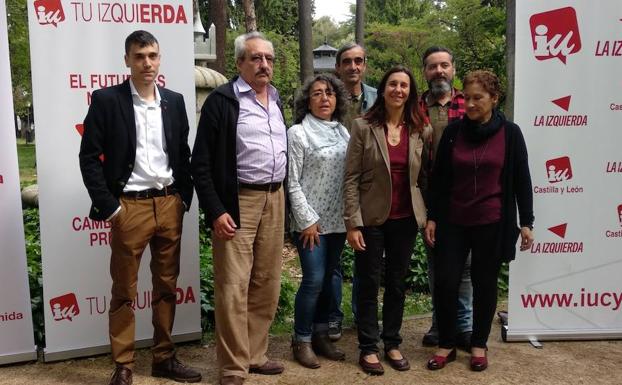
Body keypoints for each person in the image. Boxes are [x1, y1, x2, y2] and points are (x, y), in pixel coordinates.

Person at [79, 30, 200, 385]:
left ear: (159, 59)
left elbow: (181, 153)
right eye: (139, 56)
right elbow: (89, 158)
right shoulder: (107, 100)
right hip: (128, 207)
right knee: (124, 291)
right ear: (127, 60)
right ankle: (124, 365)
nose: (147, 63)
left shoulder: (175, 102)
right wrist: (111, 208)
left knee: (166, 286)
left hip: (168, 204)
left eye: (152, 56)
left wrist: (182, 197)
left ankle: (164, 357)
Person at [191, 32, 287, 385]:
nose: (264, 65)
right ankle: (233, 367)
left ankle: (256, 355)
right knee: (233, 286)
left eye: (269, 59)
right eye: (256, 58)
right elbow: (199, 164)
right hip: (238, 201)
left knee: (266, 282)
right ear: (239, 63)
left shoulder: (276, 100)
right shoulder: (222, 101)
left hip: (275, 199)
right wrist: (216, 210)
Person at [424, 70, 534, 372]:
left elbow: (522, 179)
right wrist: (433, 216)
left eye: (478, 98)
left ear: (493, 99)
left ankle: (478, 344)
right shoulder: (452, 132)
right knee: (446, 282)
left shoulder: (510, 133)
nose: (470, 104)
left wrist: (527, 221)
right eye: (468, 97)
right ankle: (446, 343)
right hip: (453, 221)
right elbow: (440, 179)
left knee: (485, 285)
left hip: (492, 221)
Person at [343, 65, 429, 375]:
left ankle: (391, 342)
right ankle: (368, 347)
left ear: (411, 92)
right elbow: (351, 177)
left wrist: (429, 217)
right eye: (393, 84)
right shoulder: (364, 126)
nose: (398, 90)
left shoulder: (420, 129)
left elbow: (424, 178)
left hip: (405, 219)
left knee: (396, 283)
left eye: (404, 85)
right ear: (383, 89)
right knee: (368, 283)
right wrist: (352, 223)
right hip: (371, 218)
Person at [287, 74, 350, 368]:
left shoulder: (343, 133)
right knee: (312, 280)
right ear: (307, 101)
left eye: (329, 93)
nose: (324, 98)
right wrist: (307, 220)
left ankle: (322, 334)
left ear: (337, 98)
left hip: (338, 221)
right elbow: (292, 182)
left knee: (327, 278)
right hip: (310, 222)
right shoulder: (298, 133)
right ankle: (301, 339)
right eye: (317, 94)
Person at [419, 46, 473, 349]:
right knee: (436, 265)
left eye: (444, 66)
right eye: (432, 67)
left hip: (465, 197)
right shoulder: (415, 108)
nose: (439, 71)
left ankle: (463, 328)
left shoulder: (470, 103)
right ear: (425, 72)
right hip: (428, 198)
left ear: (453, 69)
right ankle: (440, 326)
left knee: (464, 267)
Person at [329, 42, 377, 341]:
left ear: (365, 64)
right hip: (333, 184)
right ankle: (333, 317)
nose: (353, 66)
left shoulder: (376, 98)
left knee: (366, 256)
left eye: (358, 61)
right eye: (347, 61)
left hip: (369, 188)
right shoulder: (326, 95)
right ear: (338, 67)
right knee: (332, 259)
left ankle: (363, 316)